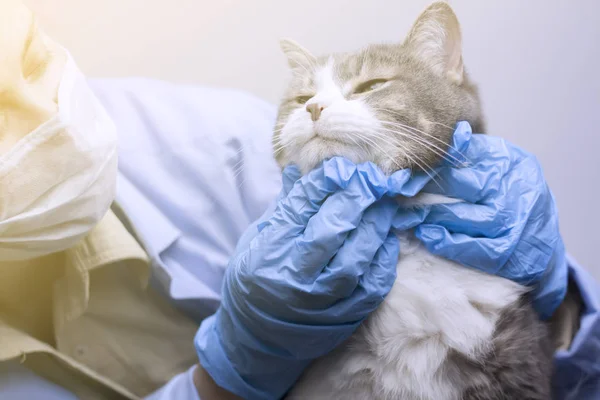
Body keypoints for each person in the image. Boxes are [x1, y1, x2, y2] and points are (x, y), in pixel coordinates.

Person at [0, 2, 598, 400]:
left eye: (31, 61)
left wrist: (558, 295)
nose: (32, 104)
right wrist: (224, 376)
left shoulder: (209, 140)